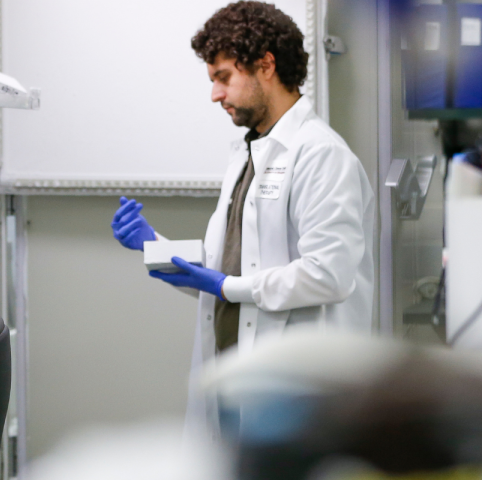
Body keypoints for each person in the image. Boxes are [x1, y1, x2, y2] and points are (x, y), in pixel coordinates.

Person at [111, 1, 375, 436]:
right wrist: (154, 246)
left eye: (223, 78)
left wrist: (225, 286)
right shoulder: (249, 152)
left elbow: (328, 276)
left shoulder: (321, 155)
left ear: (265, 66)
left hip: (297, 385)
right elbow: (231, 268)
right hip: (238, 375)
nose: (215, 94)